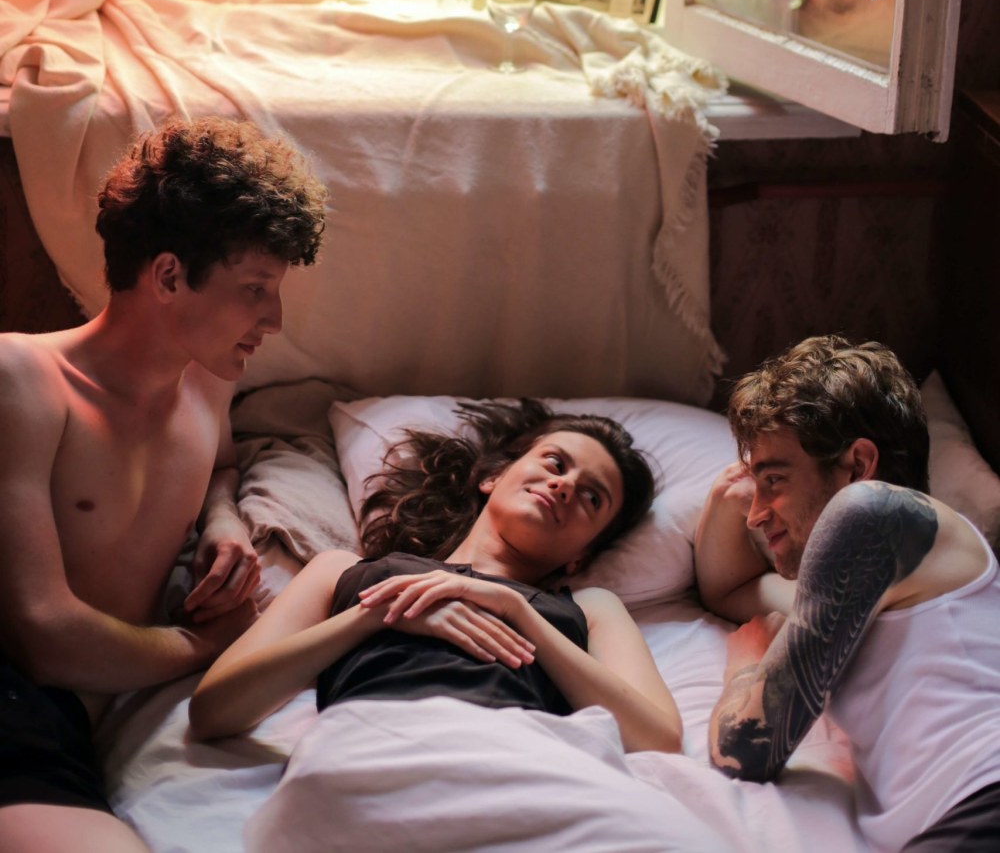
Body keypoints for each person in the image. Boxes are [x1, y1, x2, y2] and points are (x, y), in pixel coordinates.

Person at [0, 116, 327, 853]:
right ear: (169, 276)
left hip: (76, 725)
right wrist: (203, 644)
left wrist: (223, 521)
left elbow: (222, 469)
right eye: (256, 289)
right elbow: (43, 634)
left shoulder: (208, 383)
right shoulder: (23, 380)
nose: (275, 319)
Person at [189, 399, 683, 761]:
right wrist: (375, 616)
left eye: (593, 497)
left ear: (581, 556)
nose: (565, 485)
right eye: (555, 463)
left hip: (522, 767)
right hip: (365, 758)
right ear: (493, 477)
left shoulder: (589, 608)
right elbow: (214, 711)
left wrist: (519, 613)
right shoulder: (345, 572)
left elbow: (658, 740)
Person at [696, 336, 1000, 852]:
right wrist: (726, 494)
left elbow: (744, 749)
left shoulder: (874, 512)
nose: (755, 515)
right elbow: (731, 590)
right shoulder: (865, 586)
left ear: (858, 466)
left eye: (775, 480)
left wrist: (744, 666)